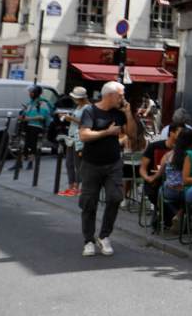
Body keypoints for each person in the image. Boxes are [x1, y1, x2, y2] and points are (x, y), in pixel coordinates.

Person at [78, 81, 138, 257]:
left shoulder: (119, 113)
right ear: (110, 95)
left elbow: (133, 135)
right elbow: (83, 135)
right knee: (89, 203)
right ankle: (88, 240)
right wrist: (107, 132)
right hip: (91, 164)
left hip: (113, 163)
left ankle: (104, 236)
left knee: (115, 197)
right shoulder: (90, 111)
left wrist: (128, 113)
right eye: (121, 95)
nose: (123, 98)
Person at [138, 122, 181, 227]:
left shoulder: (183, 150)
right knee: (155, 191)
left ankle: (170, 217)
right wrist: (147, 178)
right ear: (172, 133)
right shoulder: (154, 146)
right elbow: (142, 168)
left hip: (175, 182)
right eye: (181, 133)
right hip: (155, 180)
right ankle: (173, 217)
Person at [158, 127, 192, 231]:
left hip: (170, 191)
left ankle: (174, 215)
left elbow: (160, 172)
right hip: (186, 190)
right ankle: (181, 214)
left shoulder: (169, 155)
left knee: (160, 191)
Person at [57, 86, 91, 196]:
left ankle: (76, 187)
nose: (73, 99)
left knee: (77, 164)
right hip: (71, 137)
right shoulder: (79, 106)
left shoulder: (88, 108)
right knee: (69, 163)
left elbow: (86, 122)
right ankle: (71, 186)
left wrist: (70, 118)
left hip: (79, 138)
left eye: (75, 97)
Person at [16, 84, 51, 170]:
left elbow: (42, 117)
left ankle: (30, 163)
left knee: (32, 145)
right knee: (23, 144)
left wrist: (28, 118)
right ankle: (19, 163)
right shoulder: (30, 103)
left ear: (35, 93)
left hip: (36, 127)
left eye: (31, 92)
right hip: (27, 126)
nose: (29, 94)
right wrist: (22, 115)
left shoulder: (42, 103)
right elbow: (26, 113)